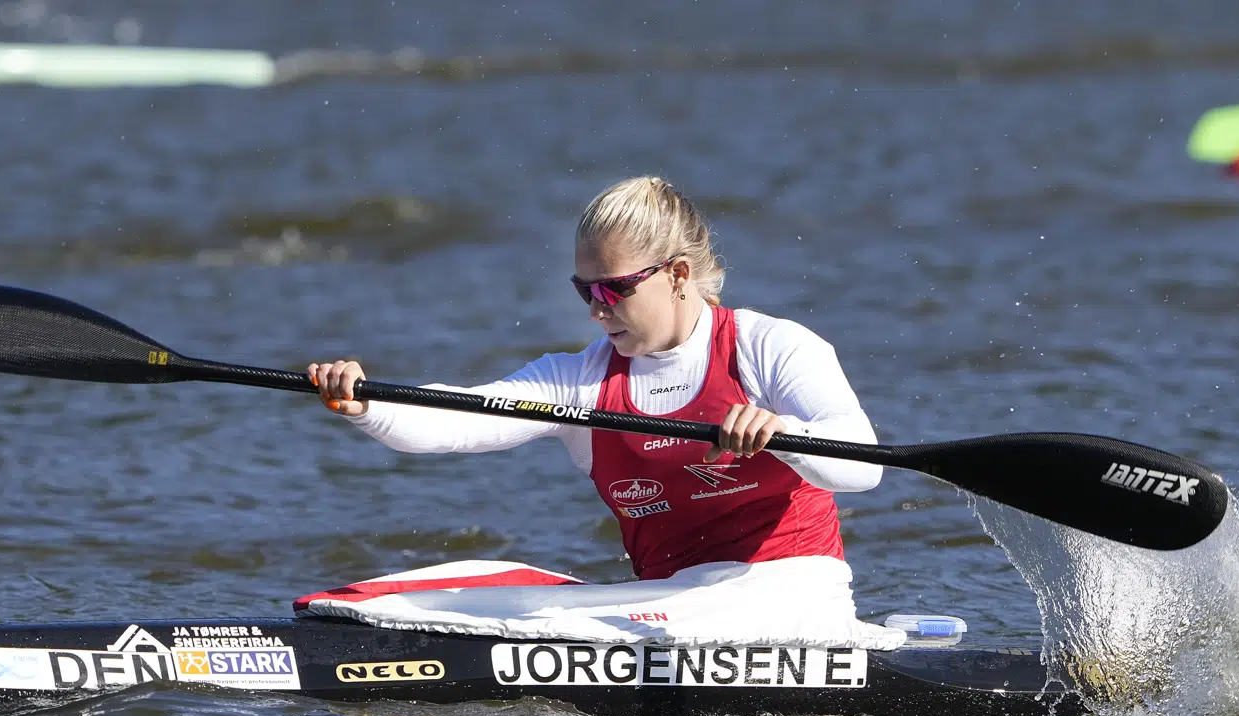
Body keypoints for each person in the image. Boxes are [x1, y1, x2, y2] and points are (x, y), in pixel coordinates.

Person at [309, 175, 883, 593]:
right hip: (669, 607)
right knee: (449, 586)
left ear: (677, 274)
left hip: (794, 596)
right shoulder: (581, 381)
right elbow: (458, 419)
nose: (596, 310)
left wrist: (783, 433)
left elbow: (864, 467)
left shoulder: (769, 347)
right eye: (585, 291)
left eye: (613, 290)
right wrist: (366, 403)